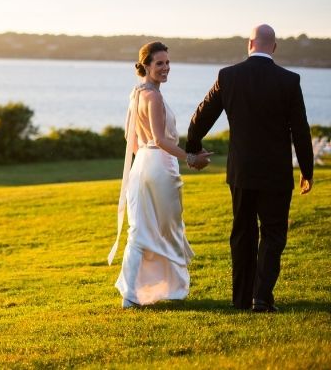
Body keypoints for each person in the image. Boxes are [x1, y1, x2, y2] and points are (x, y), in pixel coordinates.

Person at [186, 24, 314, 312]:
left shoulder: (228, 76)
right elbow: (301, 131)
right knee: (273, 233)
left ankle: (241, 299)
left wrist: (193, 147)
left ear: (249, 44)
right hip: (277, 174)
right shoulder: (289, 81)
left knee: (243, 232)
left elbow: (201, 115)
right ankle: (262, 297)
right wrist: (307, 170)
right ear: (274, 47)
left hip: (241, 171)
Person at [108, 41, 212, 309]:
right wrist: (190, 158)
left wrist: (144, 157)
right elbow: (160, 140)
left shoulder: (136, 94)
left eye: (167, 62)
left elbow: (130, 140)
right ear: (145, 66)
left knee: (140, 230)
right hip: (158, 164)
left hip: (141, 164)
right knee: (169, 229)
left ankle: (131, 296)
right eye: (159, 63)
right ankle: (170, 288)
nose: (165, 68)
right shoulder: (153, 97)